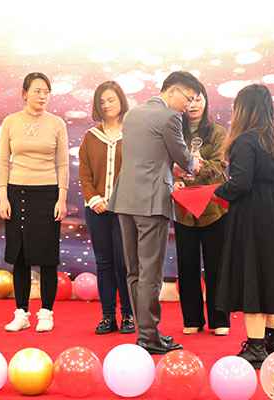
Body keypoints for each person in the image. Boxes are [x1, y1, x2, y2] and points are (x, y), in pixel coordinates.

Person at [108, 71, 202, 355]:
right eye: (188, 98)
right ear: (172, 90)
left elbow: (148, 155)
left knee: (134, 270)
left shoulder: (132, 114)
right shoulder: (169, 117)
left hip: (125, 199)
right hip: (151, 202)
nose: (188, 106)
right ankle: (149, 336)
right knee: (151, 271)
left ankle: (144, 332)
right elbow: (183, 157)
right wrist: (194, 164)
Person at [214, 84, 274, 368]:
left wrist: (217, 191)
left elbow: (240, 183)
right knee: (270, 271)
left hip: (251, 216)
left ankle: (256, 346)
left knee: (252, 273)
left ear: (243, 109)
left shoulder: (245, 141)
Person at [0, 72, 69, 332]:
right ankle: (21, 313)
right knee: (20, 257)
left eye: (46, 91)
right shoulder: (10, 122)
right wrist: (3, 196)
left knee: (47, 257)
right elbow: (3, 162)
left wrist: (62, 198)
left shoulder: (57, 123)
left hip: (47, 193)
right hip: (17, 194)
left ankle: (46, 313)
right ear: (24, 93)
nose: (42, 96)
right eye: (37, 90)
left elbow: (63, 164)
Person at [172, 81, 230, 336]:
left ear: (206, 101)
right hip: (183, 208)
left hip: (213, 208)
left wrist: (194, 167)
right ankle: (192, 319)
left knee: (216, 265)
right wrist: (173, 176)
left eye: (198, 99)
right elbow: (166, 164)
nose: (193, 104)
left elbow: (219, 167)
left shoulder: (218, 132)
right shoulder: (174, 130)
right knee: (187, 265)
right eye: (190, 99)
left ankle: (220, 320)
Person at [79, 81, 134, 335]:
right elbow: (84, 174)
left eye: (111, 99)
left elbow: (138, 171)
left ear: (121, 100)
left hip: (125, 209)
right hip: (97, 210)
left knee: (124, 263)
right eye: (102, 101)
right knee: (104, 263)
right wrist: (94, 199)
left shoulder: (133, 133)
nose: (107, 105)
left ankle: (129, 315)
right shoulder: (91, 137)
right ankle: (108, 316)